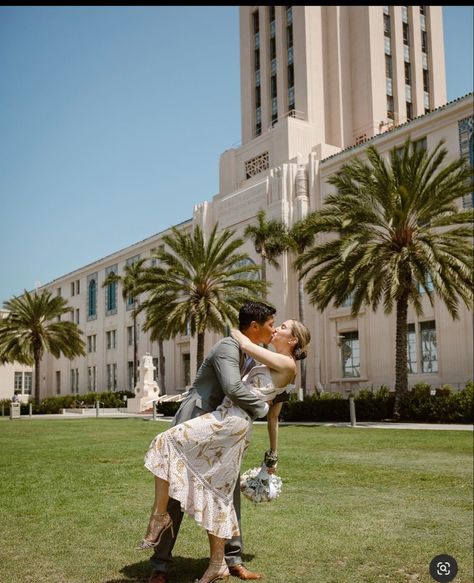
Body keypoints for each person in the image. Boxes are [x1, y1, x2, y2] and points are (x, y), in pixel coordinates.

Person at [140, 315, 311, 583]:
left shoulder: (284, 363)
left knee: (173, 449)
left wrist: (237, 329)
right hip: (223, 420)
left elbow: (269, 409)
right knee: (215, 492)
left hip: (230, 424)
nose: (276, 328)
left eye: (282, 326)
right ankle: (204, 563)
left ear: (292, 340)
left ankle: (170, 526)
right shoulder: (266, 359)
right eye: (273, 324)